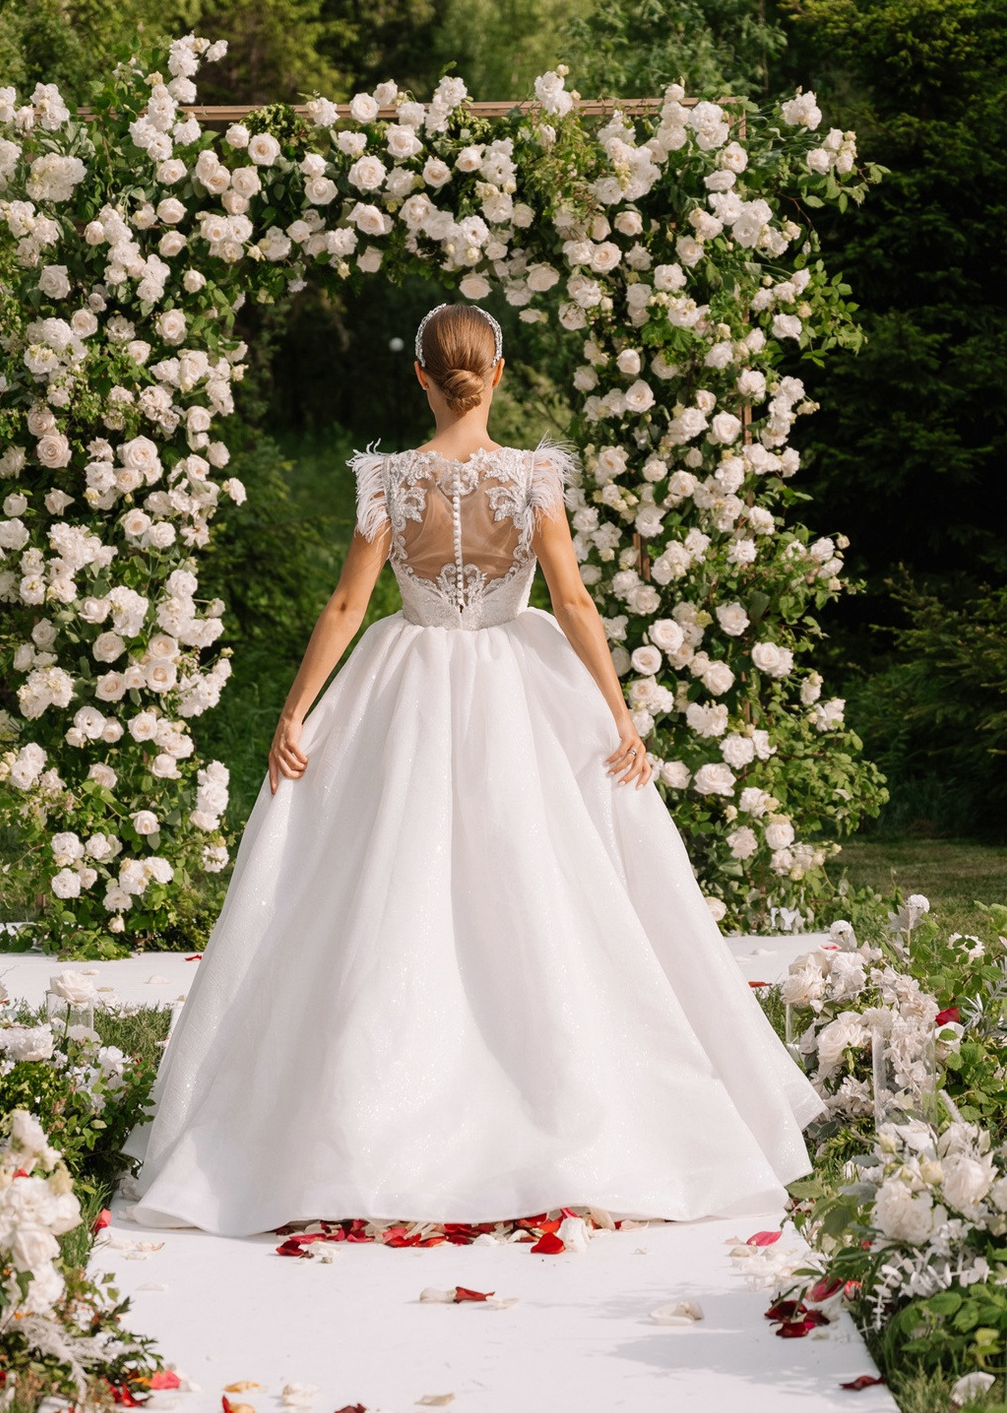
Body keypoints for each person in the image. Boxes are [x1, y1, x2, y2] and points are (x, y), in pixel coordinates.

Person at [127, 303, 821, 1235]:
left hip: (403, 683)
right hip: (517, 687)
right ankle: (570, 1101)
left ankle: (356, 1118)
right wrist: (619, 712)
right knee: (542, 885)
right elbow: (571, 599)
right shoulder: (533, 478)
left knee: (383, 884)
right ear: (496, 373)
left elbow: (344, 605)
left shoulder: (389, 481)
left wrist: (294, 711)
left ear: (421, 376)